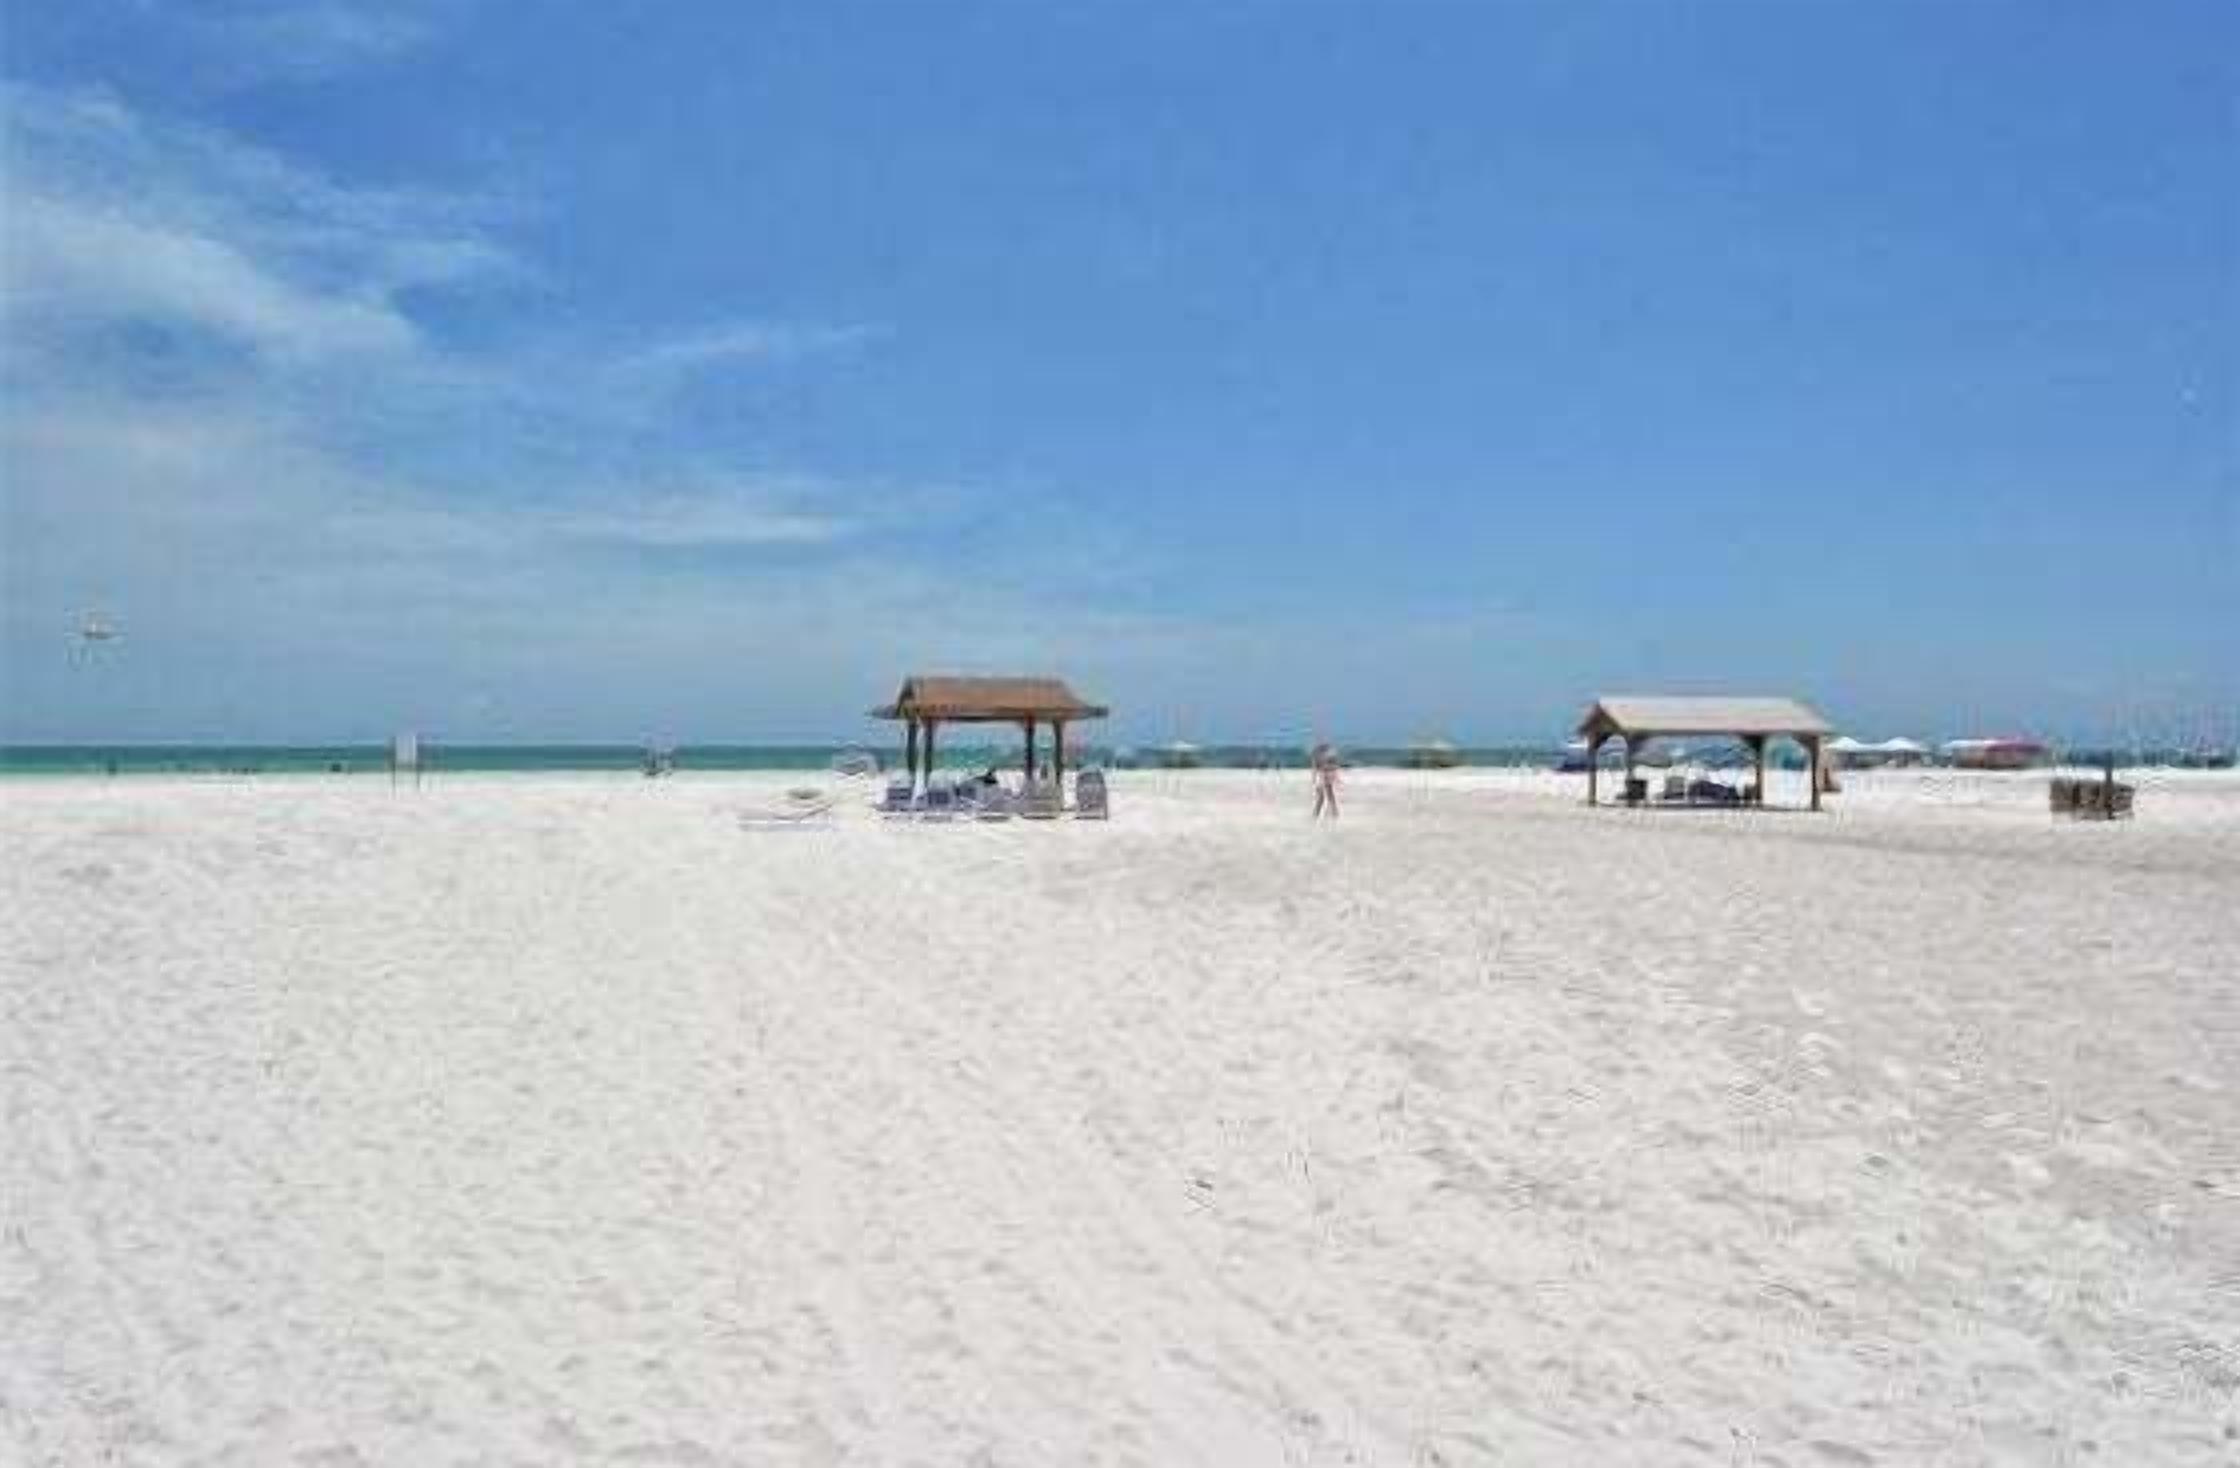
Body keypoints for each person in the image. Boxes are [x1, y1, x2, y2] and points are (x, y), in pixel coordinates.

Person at [1310, 742, 1341, 820]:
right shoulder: (1322, 759)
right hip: (1323, 776)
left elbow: (1332, 768)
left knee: (1327, 796)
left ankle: (1332, 813)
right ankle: (1332, 813)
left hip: (1324, 776)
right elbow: (1318, 769)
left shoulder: (1321, 758)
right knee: (1324, 797)